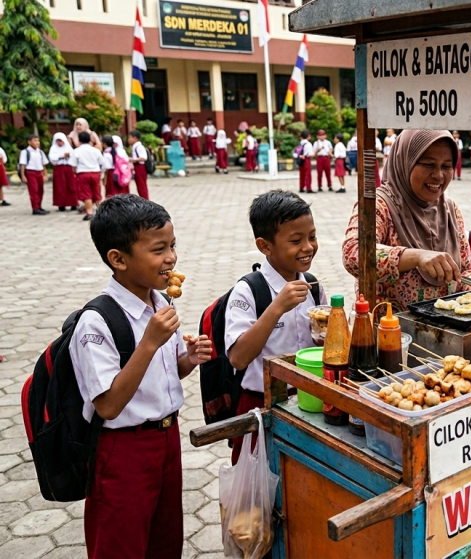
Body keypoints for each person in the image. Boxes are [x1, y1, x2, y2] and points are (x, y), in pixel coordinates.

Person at [71, 194, 212, 558]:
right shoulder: (97, 321)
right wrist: (148, 342)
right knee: (122, 544)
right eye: (158, 249)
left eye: (173, 246)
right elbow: (109, 404)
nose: (171, 258)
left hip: (167, 440)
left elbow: (162, 376)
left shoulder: (160, 301)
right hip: (122, 450)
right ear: (118, 259)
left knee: (165, 541)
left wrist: (189, 360)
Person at [224, 190, 325, 464]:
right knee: (259, 493)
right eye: (296, 240)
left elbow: (321, 345)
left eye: (312, 237)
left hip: (309, 398)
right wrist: (277, 307)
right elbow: (238, 356)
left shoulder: (313, 286)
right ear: (265, 246)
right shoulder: (248, 291)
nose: (308, 247)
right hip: (260, 403)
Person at [343, 129, 471, 311]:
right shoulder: (378, 206)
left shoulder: (450, 210)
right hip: (387, 333)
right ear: (405, 162)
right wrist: (417, 256)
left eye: (446, 166)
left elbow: (465, 268)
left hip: (444, 332)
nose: (438, 175)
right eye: (429, 164)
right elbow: (353, 254)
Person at [73, 131, 104, 221]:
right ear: (90, 139)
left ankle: (89, 212)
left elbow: (73, 165)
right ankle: (100, 211)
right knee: (96, 192)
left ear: (79, 140)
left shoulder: (76, 151)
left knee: (86, 194)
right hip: (95, 172)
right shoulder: (96, 150)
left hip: (83, 173)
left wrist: (75, 173)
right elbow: (102, 163)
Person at [18, 135, 49, 216]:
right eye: (35, 140)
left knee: (40, 190)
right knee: (33, 190)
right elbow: (23, 164)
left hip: (39, 172)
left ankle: (39, 206)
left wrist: (45, 174)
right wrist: (23, 175)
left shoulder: (40, 152)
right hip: (30, 172)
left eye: (38, 141)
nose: (37, 142)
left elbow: (44, 164)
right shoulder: (25, 152)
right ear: (29, 142)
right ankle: (35, 208)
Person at [49, 132, 77, 211]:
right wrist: (61, 156)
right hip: (59, 169)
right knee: (60, 186)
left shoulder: (68, 147)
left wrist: (69, 155)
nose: (59, 143)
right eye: (58, 141)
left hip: (69, 168)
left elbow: (73, 155)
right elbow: (52, 157)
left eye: (61, 141)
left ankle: (73, 204)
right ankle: (61, 204)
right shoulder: (53, 148)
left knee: (71, 186)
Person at [128, 131, 150, 200]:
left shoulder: (139, 147)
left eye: (130, 137)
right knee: (140, 186)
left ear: (135, 138)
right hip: (137, 167)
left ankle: (145, 200)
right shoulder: (135, 146)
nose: (128, 139)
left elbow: (144, 158)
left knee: (142, 186)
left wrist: (133, 160)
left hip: (140, 167)